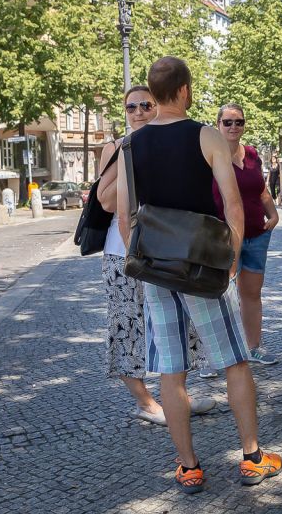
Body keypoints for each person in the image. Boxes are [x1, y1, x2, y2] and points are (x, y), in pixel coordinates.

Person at [117, 57, 281, 492]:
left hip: (156, 266)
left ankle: (188, 466)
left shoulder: (130, 145)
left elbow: (124, 214)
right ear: (186, 91)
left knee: (172, 371)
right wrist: (233, 253)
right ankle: (251, 457)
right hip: (202, 261)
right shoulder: (206, 136)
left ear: (152, 95)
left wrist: (140, 264)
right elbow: (230, 202)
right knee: (234, 360)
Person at [97, 86, 213, 425]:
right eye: (130, 107)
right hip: (123, 252)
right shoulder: (117, 147)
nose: (137, 112)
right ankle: (146, 402)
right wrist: (131, 154)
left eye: (145, 105)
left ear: (158, 106)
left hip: (167, 248)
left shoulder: (171, 140)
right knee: (127, 326)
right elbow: (105, 202)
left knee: (178, 326)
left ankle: (178, 398)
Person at [213, 103, 280, 365]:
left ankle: (253, 347)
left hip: (256, 234)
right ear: (218, 125)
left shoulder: (251, 155)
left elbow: (261, 190)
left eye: (238, 122)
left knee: (251, 294)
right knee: (218, 296)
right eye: (227, 122)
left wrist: (273, 215)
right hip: (223, 237)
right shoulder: (210, 156)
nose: (233, 127)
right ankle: (216, 357)